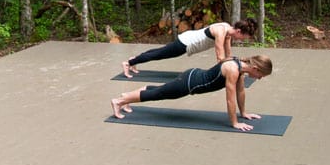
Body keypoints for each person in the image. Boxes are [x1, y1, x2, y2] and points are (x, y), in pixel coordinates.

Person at [110, 54, 272, 131]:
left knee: (159, 91)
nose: (260, 78)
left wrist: (244, 112)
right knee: (158, 94)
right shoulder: (233, 70)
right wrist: (235, 123)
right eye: (261, 75)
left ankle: (127, 97)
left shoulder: (240, 66)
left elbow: (240, 92)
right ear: (255, 69)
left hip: (192, 75)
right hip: (188, 84)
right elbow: (230, 99)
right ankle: (119, 101)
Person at [121, 18, 258, 78]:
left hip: (187, 39)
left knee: (159, 52)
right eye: (244, 37)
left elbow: (228, 54)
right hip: (184, 43)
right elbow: (221, 58)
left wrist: (238, 67)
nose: (243, 40)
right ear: (239, 31)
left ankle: (135, 60)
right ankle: (128, 63)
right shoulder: (220, 32)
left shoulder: (228, 30)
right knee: (159, 54)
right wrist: (234, 69)